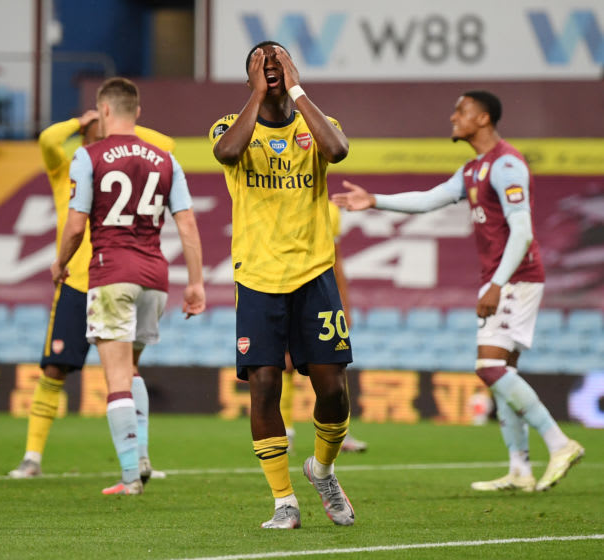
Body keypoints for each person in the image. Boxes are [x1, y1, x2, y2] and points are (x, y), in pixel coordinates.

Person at [332, 90, 584, 493]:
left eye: (461, 111)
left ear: (483, 119)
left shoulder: (506, 165)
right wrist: (375, 200)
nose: (453, 117)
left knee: (488, 368)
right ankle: (520, 468)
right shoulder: (474, 170)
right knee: (504, 373)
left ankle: (560, 443)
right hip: (503, 277)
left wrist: (497, 285)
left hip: (515, 277)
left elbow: (523, 230)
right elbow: (428, 200)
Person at [210, 41, 355, 529]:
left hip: (314, 273)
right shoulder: (231, 126)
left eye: (278, 61)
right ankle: (284, 502)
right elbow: (227, 152)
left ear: (292, 68)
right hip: (257, 277)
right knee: (265, 385)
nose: (269, 67)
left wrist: (296, 89)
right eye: (259, 63)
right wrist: (257, 95)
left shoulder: (319, 126)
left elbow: (337, 150)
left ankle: (323, 469)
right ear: (247, 76)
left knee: (332, 388)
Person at [51, 77, 205, 495]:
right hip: (155, 277)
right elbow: (187, 225)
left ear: (102, 112)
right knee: (132, 368)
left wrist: (60, 263)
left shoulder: (88, 156)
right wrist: (196, 282)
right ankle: (141, 456)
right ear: (137, 113)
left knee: (115, 376)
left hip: (111, 270)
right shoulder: (165, 159)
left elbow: (76, 225)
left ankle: (128, 476)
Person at [8, 109, 175, 481]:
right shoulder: (67, 166)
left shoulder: (117, 164)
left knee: (127, 372)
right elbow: (48, 139)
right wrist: (81, 122)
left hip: (113, 278)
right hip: (75, 283)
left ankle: (142, 457)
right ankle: (32, 457)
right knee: (53, 369)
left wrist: (124, 124)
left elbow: (166, 145)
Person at [281, 203, 367, 455]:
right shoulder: (275, 200)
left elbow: (336, 258)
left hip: (320, 293)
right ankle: (285, 433)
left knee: (335, 361)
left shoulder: (330, 210)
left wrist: (344, 304)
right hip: (282, 289)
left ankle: (340, 433)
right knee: (285, 363)